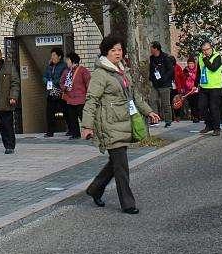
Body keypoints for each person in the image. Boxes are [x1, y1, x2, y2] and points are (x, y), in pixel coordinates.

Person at [82, 34, 161, 215]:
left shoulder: (121, 70)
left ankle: (95, 188)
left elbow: (133, 96)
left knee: (116, 163)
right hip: (109, 124)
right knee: (122, 166)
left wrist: (148, 111)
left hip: (124, 122)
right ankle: (127, 203)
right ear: (105, 53)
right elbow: (91, 100)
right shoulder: (100, 74)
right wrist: (87, 126)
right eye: (113, 50)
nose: (117, 53)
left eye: (119, 49)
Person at [196, 41, 222, 136]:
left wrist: (205, 60)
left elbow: (213, 68)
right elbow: (199, 71)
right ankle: (208, 125)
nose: (205, 52)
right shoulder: (200, 57)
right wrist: (195, 83)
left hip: (215, 86)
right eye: (203, 50)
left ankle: (216, 128)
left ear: (211, 48)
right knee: (201, 107)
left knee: (214, 107)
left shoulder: (217, 57)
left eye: (207, 49)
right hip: (204, 86)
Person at [59, 52, 90, 138]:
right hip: (70, 99)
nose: (67, 62)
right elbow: (61, 82)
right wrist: (64, 88)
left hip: (81, 99)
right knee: (72, 118)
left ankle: (88, 133)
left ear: (73, 61)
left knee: (83, 118)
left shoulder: (82, 70)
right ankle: (75, 134)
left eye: (68, 60)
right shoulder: (66, 72)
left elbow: (88, 83)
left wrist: (89, 95)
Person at [148, 42, 175, 128]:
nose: (150, 50)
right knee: (153, 101)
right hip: (155, 84)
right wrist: (151, 78)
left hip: (164, 84)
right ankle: (154, 119)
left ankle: (168, 120)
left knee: (165, 103)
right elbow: (151, 69)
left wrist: (164, 78)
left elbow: (171, 70)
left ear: (156, 48)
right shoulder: (152, 58)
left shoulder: (166, 57)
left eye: (151, 48)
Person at [42, 47, 67, 137]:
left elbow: (62, 78)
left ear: (59, 56)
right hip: (51, 93)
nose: (52, 57)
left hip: (60, 92)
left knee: (65, 110)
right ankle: (50, 131)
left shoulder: (63, 66)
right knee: (49, 112)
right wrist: (47, 81)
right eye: (51, 55)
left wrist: (53, 82)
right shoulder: (49, 66)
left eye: (54, 55)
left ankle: (70, 129)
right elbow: (44, 76)